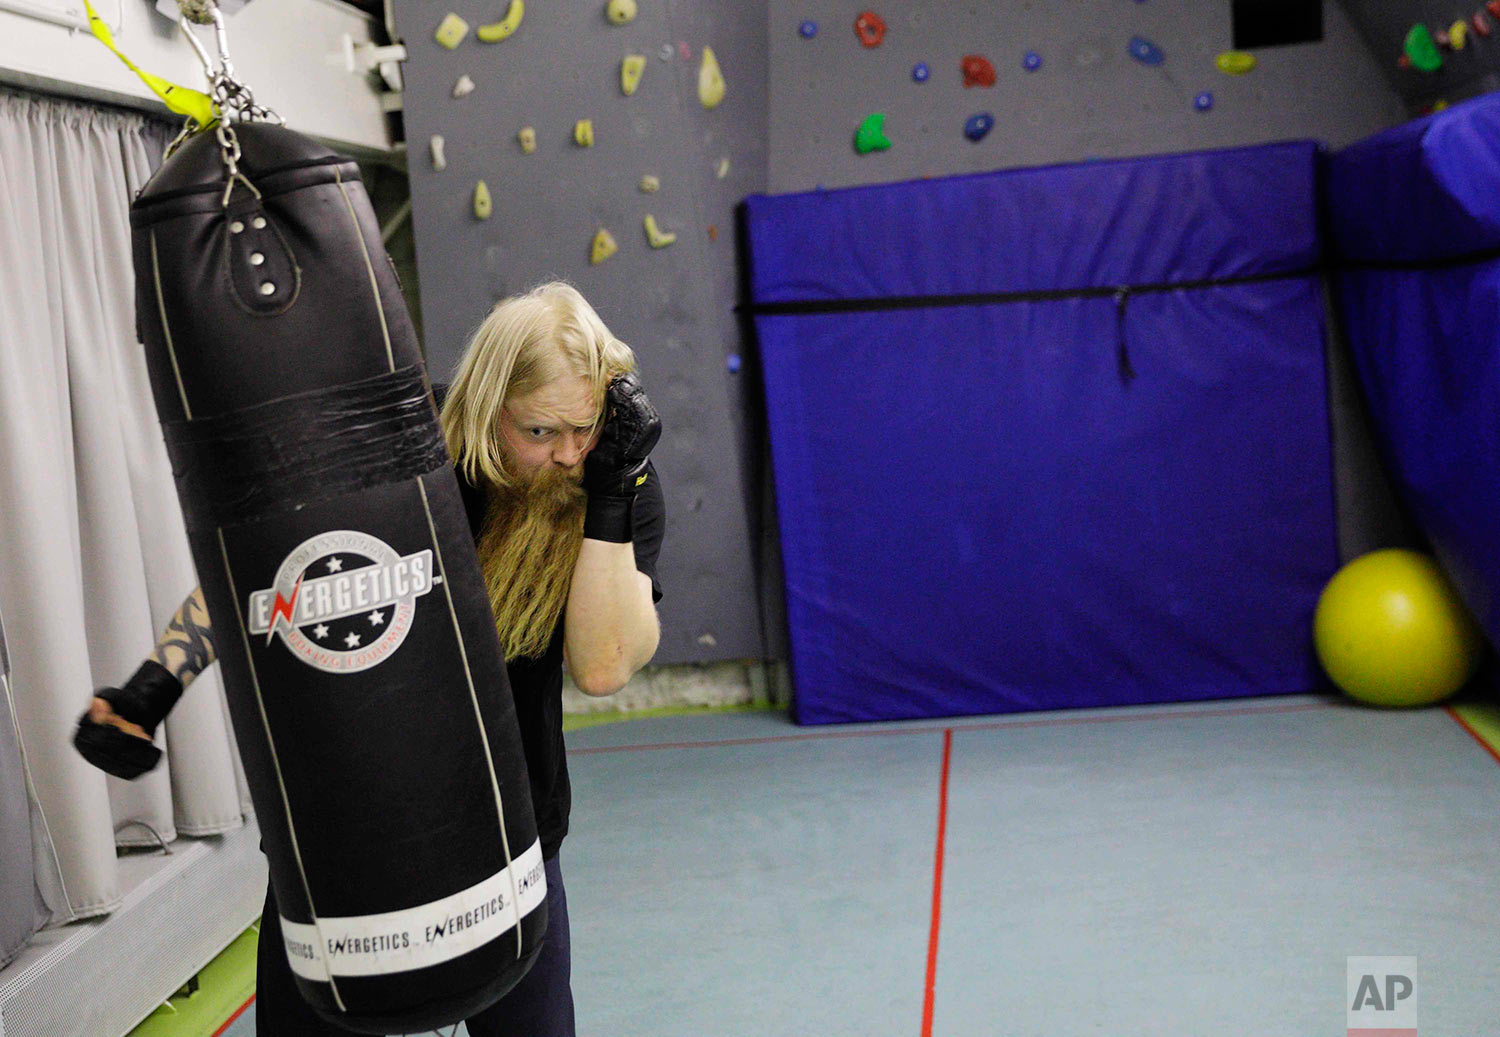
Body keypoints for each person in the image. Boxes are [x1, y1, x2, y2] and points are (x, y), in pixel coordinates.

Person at [76, 281, 665, 1036]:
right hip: (347, 821)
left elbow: (607, 663)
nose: (568, 454)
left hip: (509, 830)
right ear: (489, 405)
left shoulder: (609, 479)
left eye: (585, 429)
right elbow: (274, 564)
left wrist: (613, 494)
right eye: (542, 431)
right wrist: (152, 687)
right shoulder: (398, 456)